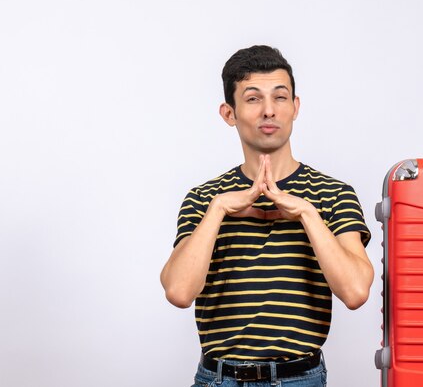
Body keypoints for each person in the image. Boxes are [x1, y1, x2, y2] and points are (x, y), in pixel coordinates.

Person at [160, 45, 373, 386]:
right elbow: (179, 292)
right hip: (219, 379)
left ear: (295, 107)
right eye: (254, 98)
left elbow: (355, 292)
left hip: (299, 379)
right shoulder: (203, 198)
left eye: (280, 97)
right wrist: (218, 211)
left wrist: (306, 212)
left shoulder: (334, 194)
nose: (269, 111)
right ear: (229, 113)